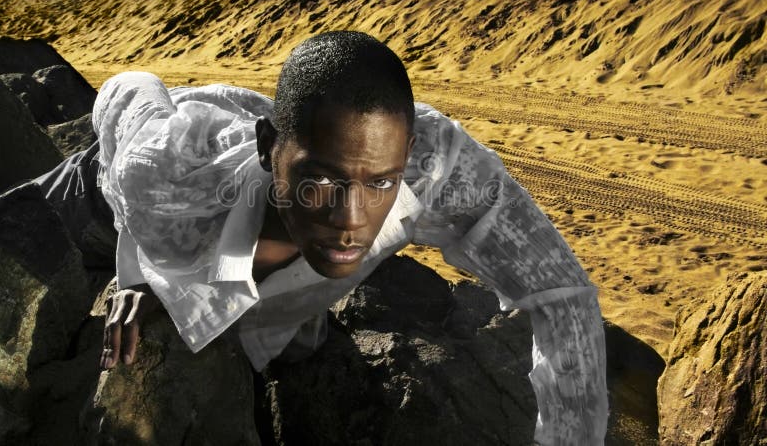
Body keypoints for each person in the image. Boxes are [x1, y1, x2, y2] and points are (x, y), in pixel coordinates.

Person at [37, 31, 607, 444]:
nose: (350, 218)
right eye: (322, 181)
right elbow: (125, 91)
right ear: (270, 151)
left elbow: (563, 296)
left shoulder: (440, 166)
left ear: (405, 159)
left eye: (380, 182)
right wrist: (134, 270)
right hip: (101, 187)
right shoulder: (162, 171)